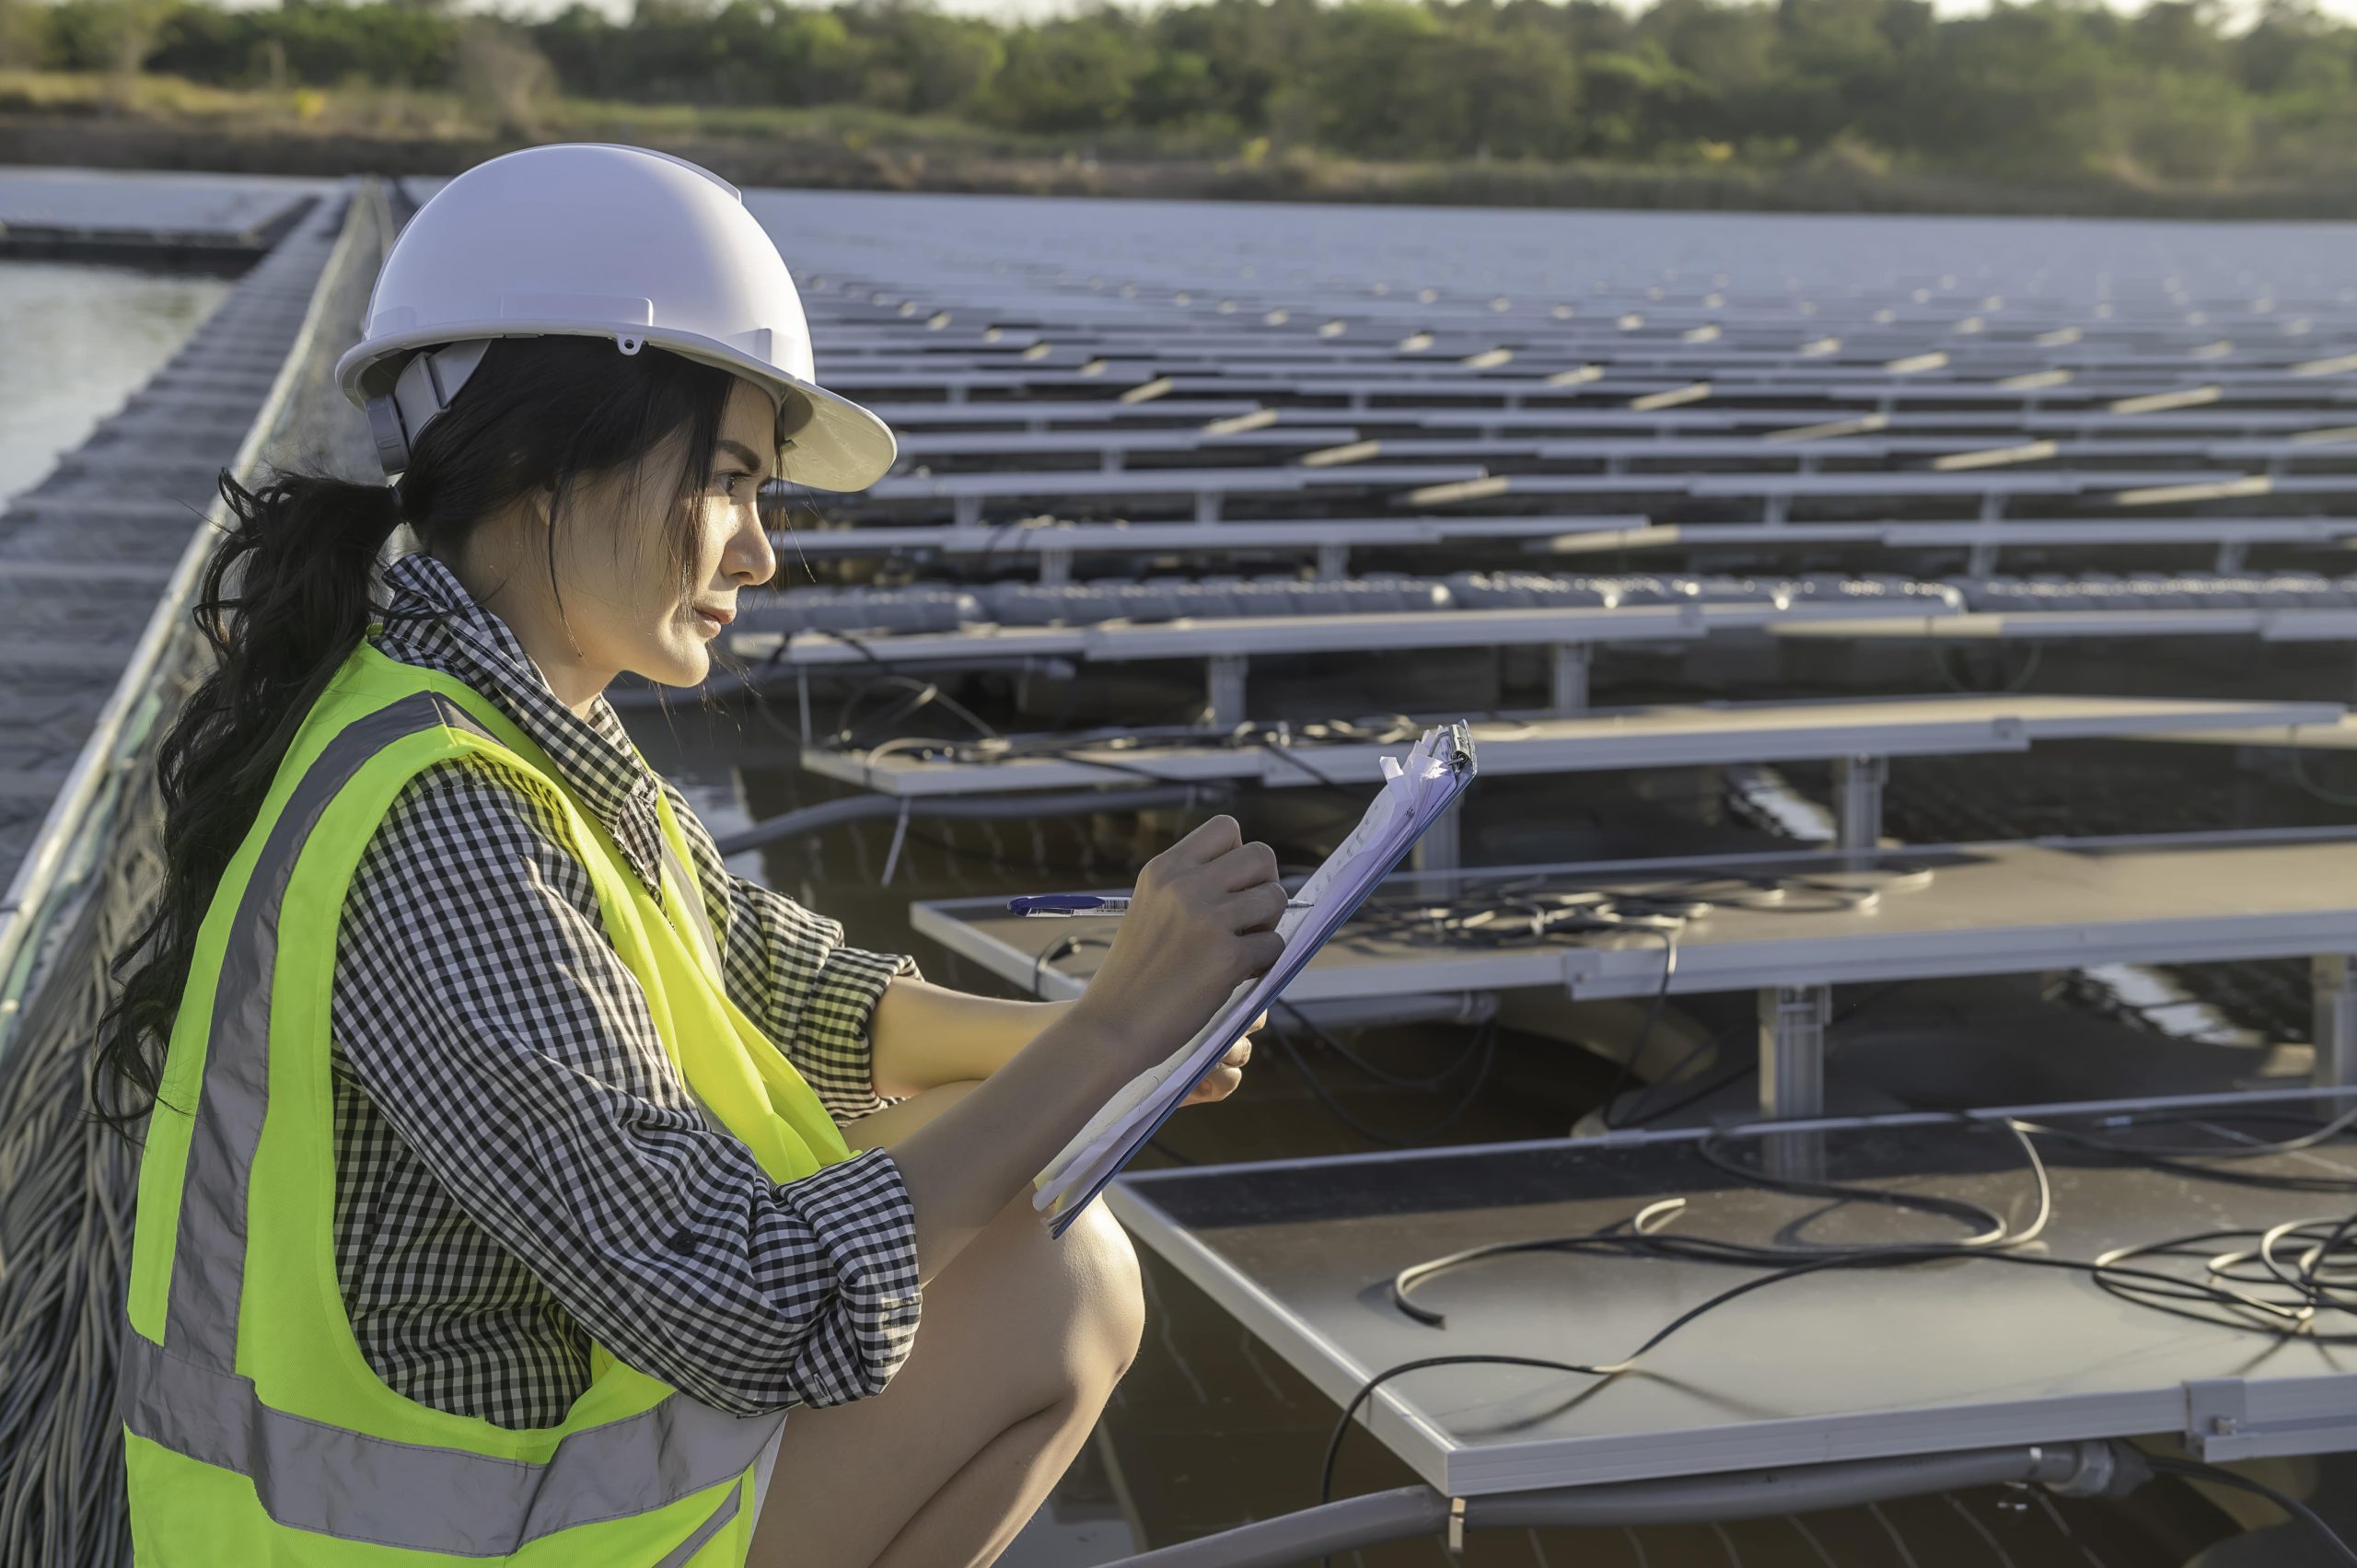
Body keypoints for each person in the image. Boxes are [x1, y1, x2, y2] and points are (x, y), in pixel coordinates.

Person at [99, 144, 1287, 1567]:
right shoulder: (442, 818)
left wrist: (1096, 1037)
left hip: (488, 1486)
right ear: (549, 457)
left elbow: (770, 985)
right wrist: (1107, 1033)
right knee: (1058, 1276)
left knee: (1018, 1206)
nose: (760, 553)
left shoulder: (500, 730)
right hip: (396, 1545)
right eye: (729, 482)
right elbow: (746, 1302)